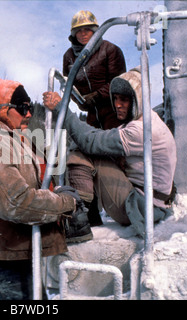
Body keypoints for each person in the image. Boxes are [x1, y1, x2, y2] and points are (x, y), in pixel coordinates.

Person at [0, 78, 88, 300]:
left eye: (30, 108)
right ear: (1, 110)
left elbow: (47, 162)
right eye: (23, 108)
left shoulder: (15, 142)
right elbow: (15, 202)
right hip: (1, 268)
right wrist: (66, 203)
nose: (28, 114)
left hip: (16, 258)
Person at [43, 67, 177, 237]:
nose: (118, 105)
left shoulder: (140, 129)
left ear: (138, 100)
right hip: (153, 203)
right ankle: (86, 214)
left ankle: (79, 220)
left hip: (143, 208)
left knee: (80, 149)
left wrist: (62, 108)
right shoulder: (150, 119)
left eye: (124, 100)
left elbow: (89, 141)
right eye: (115, 98)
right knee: (95, 148)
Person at [63, 10, 127, 230]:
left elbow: (118, 83)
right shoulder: (69, 57)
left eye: (88, 30)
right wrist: (79, 101)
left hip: (112, 110)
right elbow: (68, 84)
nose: (84, 34)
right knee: (82, 153)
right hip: (90, 113)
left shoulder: (111, 50)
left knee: (116, 155)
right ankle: (91, 213)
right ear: (73, 34)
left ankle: (123, 206)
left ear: (96, 31)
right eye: (79, 31)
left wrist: (95, 97)